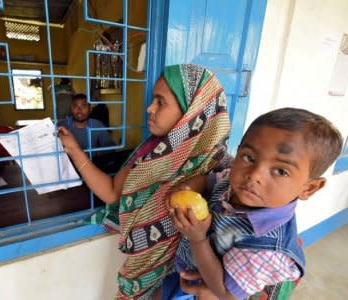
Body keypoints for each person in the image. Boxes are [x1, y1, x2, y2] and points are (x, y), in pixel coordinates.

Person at [58, 64, 231, 298]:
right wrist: (74, 149)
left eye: (161, 102)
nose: (149, 108)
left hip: (191, 279)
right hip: (142, 268)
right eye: (153, 100)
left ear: (193, 112)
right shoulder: (150, 149)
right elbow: (111, 193)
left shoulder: (219, 165)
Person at [168, 108, 343, 299]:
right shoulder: (235, 184)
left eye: (281, 171)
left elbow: (225, 292)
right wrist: (185, 189)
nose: (254, 175)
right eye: (249, 158)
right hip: (187, 269)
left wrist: (198, 239)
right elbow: (208, 181)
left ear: (309, 188)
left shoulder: (266, 249)